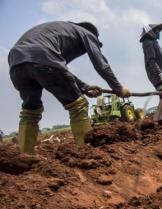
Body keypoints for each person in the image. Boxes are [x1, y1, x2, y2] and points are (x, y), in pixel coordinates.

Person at [8, 21, 131, 153]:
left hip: (16, 64)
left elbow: (58, 68)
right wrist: (118, 88)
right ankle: (87, 152)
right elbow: (101, 64)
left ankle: (25, 155)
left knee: (30, 110)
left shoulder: (59, 31)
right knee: (78, 105)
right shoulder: (87, 33)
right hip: (43, 59)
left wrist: (84, 87)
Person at [139, 23, 162, 124]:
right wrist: (160, 74)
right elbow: (151, 61)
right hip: (158, 76)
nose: (158, 33)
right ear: (151, 32)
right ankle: (161, 121)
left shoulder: (154, 43)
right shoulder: (148, 43)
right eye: (157, 31)